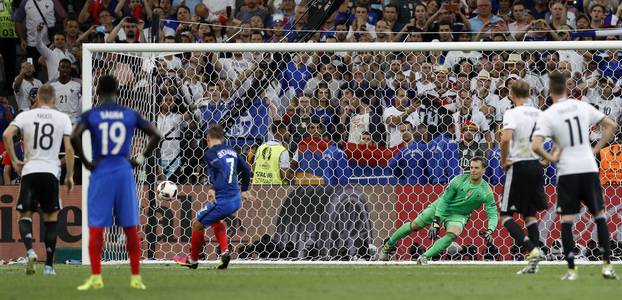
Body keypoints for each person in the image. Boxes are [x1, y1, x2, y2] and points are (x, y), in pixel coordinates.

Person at [71, 75, 161, 290]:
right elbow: (156, 134)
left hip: (101, 170)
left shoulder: (92, 114)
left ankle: (96, 277)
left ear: (98, 91)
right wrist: (139, 159)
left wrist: (86, 162)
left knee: (97, 227)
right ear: (118, 90)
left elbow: (74, 137)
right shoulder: (129, 114)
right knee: (129, 226)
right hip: (123, 169)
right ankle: (136, 277)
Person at [531, 71, 618, 280]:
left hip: (568, 172)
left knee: (567, 220)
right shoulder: (582, 106)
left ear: (550, 91)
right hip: (588, 167)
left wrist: (550, 159)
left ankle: (571, 270)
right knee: (600, 216)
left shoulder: (548, 114)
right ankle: (607, 267)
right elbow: (612, 126)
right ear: (567, 89)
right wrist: (595, 150)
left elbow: (535, 144)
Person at [2, 84, 74, 276]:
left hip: (30, 171)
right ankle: (49, 266)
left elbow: (7, 135)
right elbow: (69, 149)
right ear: (55, 99)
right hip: (51, 172)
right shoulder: (62, 118)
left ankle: (31, 251)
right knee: (51, 220)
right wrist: (69, 175)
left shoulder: (25, 116)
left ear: (37, 98)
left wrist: (15, 160)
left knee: (24, 215)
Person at [380, 157, 498, 264]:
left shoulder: (486, 191)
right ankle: (389, 245)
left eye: (477, 168)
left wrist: (490, 229)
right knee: (415, 225)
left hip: (459, 215)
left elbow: (493, 215)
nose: (473, 170)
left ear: (484, 170)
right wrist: (436, 221)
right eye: (471, 167)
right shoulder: (458, 180)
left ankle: (424, 257)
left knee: (452, 233)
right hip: (440, 208)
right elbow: (444, 201)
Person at [175, 124, 253, 270]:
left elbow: (221, 170)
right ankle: (225, 253)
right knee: (216, 220)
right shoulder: (232, 151)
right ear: (223, 139)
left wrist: (213, 188)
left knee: (197, 224)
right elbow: (247, 170)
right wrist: (244, 190)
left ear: (207, 138)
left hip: (224, 199)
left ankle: (193, 261)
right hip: (236, 198)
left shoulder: (210, 154)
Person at [499, 80, 547, 274]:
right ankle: (533, 265)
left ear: (512, 94)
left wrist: (504, 160)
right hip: (536, 167)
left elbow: (505, 138)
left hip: (519, 165)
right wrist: (545, 159)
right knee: (529, 215)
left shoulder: (511, 113)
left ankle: (532, 249)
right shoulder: (539, 113)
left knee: (505, 215)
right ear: (529, 94)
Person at [252, 121, 293, 185]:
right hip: (275, 188)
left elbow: (254, 167)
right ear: (281, 131)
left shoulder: (261, 147)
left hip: (257, 186)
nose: (289, 133)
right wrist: (291, 176)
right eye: (287, 130)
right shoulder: (282, 151)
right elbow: (285, 175)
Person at [49, 59, 81, 124]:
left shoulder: (78, 84)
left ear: (70, 69)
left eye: (67, 67)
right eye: (62, 67)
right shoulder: (51, 85)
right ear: (58, 68)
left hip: (73, 119)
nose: (65, 70)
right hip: (57, 118)